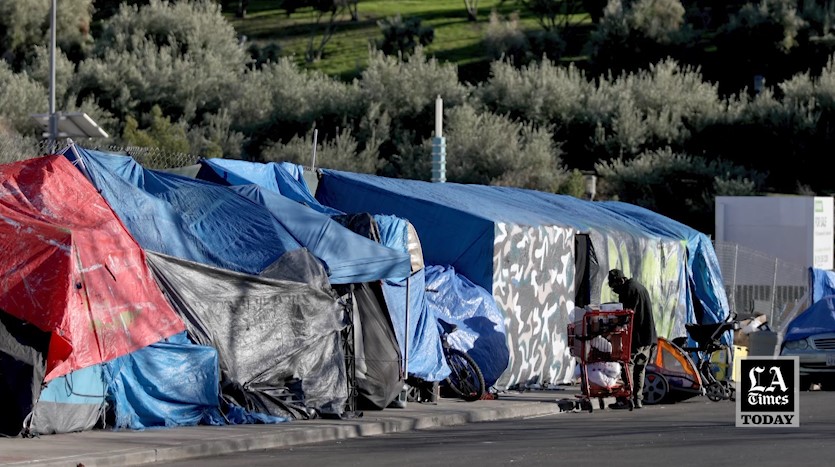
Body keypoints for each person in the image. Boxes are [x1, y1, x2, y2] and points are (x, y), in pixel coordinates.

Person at [606, 269, 657, 410]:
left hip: (637, 336)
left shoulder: (628, 290)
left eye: (614, 287)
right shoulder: (639, 287)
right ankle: (638, 399)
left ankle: (626, 399)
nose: (615, 291)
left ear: (620, 281)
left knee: (627, 366)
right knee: (640, 369)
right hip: (648, 336)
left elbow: (626, 315)